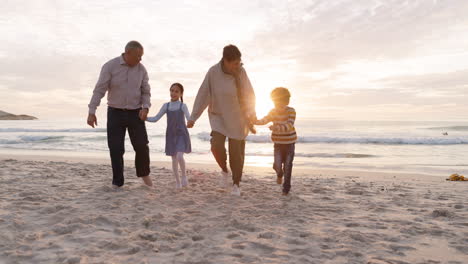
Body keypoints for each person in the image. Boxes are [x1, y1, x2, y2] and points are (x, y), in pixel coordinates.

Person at [187, 44, 256, 196]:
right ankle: (224, 170)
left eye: (239, 62)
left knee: (236, 153)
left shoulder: (241, 72)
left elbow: (249, 94)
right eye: (234, 63)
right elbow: (203, 95)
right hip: (219, 116)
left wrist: (252, 113)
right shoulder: (213, 72)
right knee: (216, 145)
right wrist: (193, 117)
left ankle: (236, 183)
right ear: (225, 60)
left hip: (238, 118)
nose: (237, 66)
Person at [87, 40, 153, 188]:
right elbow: (99, 90)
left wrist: (146, 108)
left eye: (141, 56)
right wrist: (92, 112)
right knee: (116, 148)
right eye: (138, 56)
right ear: (127, 53)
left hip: (136, 113)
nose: (140, 59)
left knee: (142, 146)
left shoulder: (142, 70)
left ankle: (144, 175)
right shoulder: (110, 66)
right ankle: (117, 182)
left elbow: (146, 92)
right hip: (115, 112)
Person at [146, 83, 191, 189]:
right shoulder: (166, 105)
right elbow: (156, 118)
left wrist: (190, 122)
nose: (173, 93)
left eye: (176, 91)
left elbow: (189, 118)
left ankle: (184, 176)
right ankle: (178, 182)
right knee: (174, 159)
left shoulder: (182, 106)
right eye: (172, 90)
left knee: (180, 156)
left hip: (181, 133)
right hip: (171, 135)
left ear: (181, 94)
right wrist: (145, 118)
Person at [254, 87, 297, 195]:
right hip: (278, 144)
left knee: (288, 166)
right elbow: (265, 119)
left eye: (280, 102)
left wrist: (276, 127)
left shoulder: (291, 111)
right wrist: (255, 121)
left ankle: (286, 188)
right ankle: (279, 174)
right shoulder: (273, 111)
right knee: (277, 165)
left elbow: (289, 125)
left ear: (286, 101)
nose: (277, 104)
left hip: (289, 144)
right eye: (275, 102)